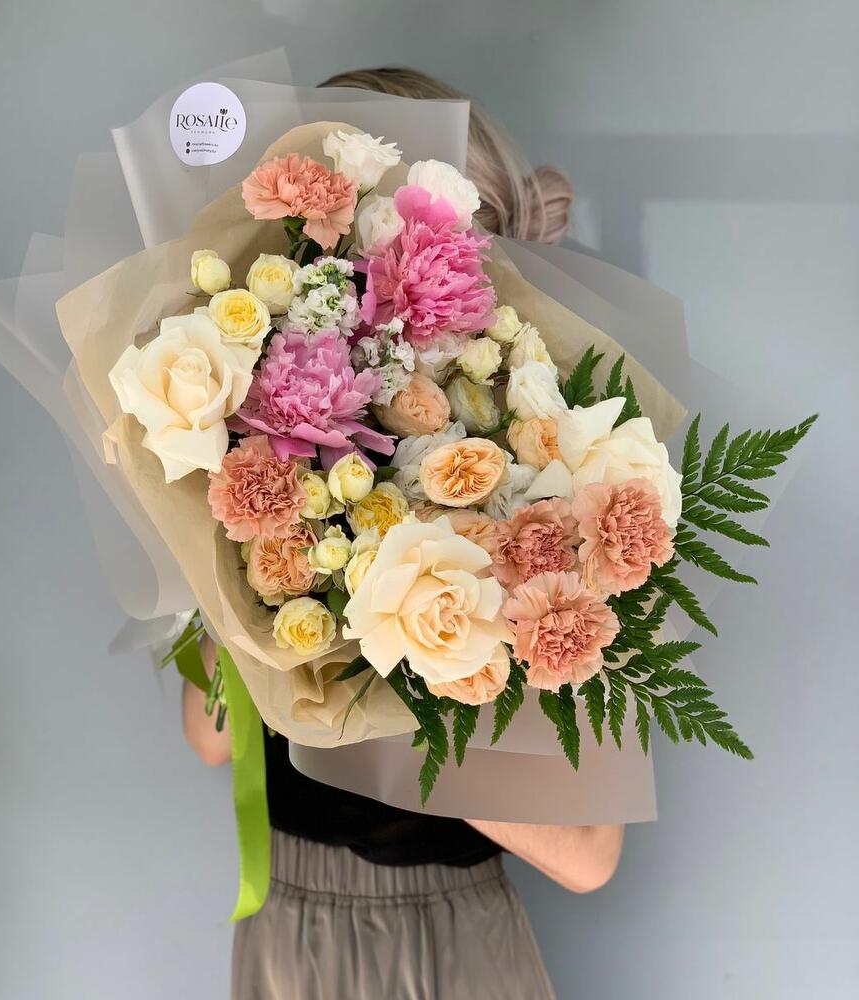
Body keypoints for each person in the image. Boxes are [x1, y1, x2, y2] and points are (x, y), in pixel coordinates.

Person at [184, 68, 621, 1000]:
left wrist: (407, 653)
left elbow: (588, 855)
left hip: (450, 943)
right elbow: (211, 738)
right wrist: (236, 532)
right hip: (292, 929)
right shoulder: (273, 457)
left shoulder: (564, 497)